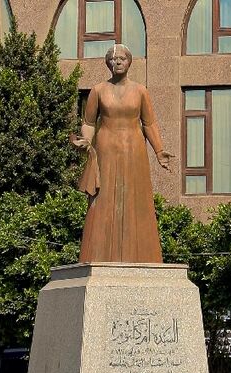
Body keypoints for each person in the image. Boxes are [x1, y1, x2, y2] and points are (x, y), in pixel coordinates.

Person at [72, 44, 173, 264]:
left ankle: (141, 255)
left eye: (122, 58)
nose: (117, 62)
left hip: (134, 150)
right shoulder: (98, 90)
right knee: (103, 201)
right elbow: (89, 122)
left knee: (136, 200)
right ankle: (97, 255)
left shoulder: (140, 91)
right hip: (106, 150)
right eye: (113, 58)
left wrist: (159, 150)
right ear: (107, 63)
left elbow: (149, 123)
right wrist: (86, 142)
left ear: (129, 62)